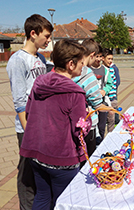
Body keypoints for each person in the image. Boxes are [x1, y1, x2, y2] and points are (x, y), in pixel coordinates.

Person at [20, 39, 91, 209]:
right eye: (82, 63)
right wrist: (87, 119)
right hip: (62, 158)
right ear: (71, 64)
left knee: (42, 196)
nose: (83, 67)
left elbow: (28, 113)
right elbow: (79, 131)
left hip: (36, 153)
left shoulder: (39, 82)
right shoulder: (75, 92)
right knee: (64, 202)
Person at [6, 14, 53, 210]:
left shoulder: (41, 58)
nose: (49, 40)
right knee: (26, 171)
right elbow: (19, 101)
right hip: (27, 126)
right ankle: (26, 207)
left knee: (40, 169)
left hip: (42, 123)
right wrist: (29, 131)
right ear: (33, 34)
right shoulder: (17, 60)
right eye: (47, 36)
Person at [73, 38, 107, 159]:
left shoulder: (72, 69)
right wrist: (109, 109)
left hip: (73, 122)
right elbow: (97, 103)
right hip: (88, 124)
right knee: (89, 159)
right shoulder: (87, 73)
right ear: (92, 55)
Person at [90, 44, 113, 142]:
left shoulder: (105, 70)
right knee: (92, 126)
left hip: (102, 101)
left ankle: (101, 141)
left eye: (100, 56)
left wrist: (105, 90)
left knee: (102, 125)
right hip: (91, 103)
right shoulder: (88, 69)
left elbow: (109, 84)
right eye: (97, 56)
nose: (98, 59)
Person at [102, 49, 120, 132]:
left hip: (112, 98)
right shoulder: (102, 70)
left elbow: (115, 83)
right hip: (105, 99)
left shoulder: (112, 69)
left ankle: (110, 136)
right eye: (108, 59)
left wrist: (114, 97)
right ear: (103, 58)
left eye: (111, 59)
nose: (110, 61)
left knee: (111, 121)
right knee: (103, 122)